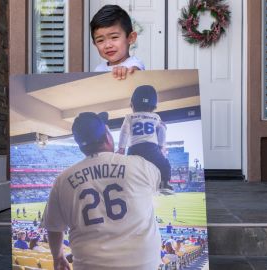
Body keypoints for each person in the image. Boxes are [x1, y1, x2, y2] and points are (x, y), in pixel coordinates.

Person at [41, 112, 162, 270]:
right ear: (108, 137)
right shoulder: (140, 165)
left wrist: (58, 256)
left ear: (81, 146)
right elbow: (160, 185)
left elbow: (54, 227)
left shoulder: (62, 180)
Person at [117, 85, 173, 193]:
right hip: (151, 148)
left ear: (132, 104)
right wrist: (161, 147)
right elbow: (161, 130)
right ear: (154, 106)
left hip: (134, 149)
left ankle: (128, 186)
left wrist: (121, 148)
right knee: (164, 165)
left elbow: (124, 131)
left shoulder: (129, 117)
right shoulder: (156, 117)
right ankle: (164, 184)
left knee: (129, 169)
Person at [90, 5, 144, 80]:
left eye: (114, 37)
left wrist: (130, 72)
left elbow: (136, 71)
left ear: (131, 38)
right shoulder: (98, 70)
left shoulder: (134, 64)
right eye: (100, 40)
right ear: (95, 44)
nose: (108, 45)